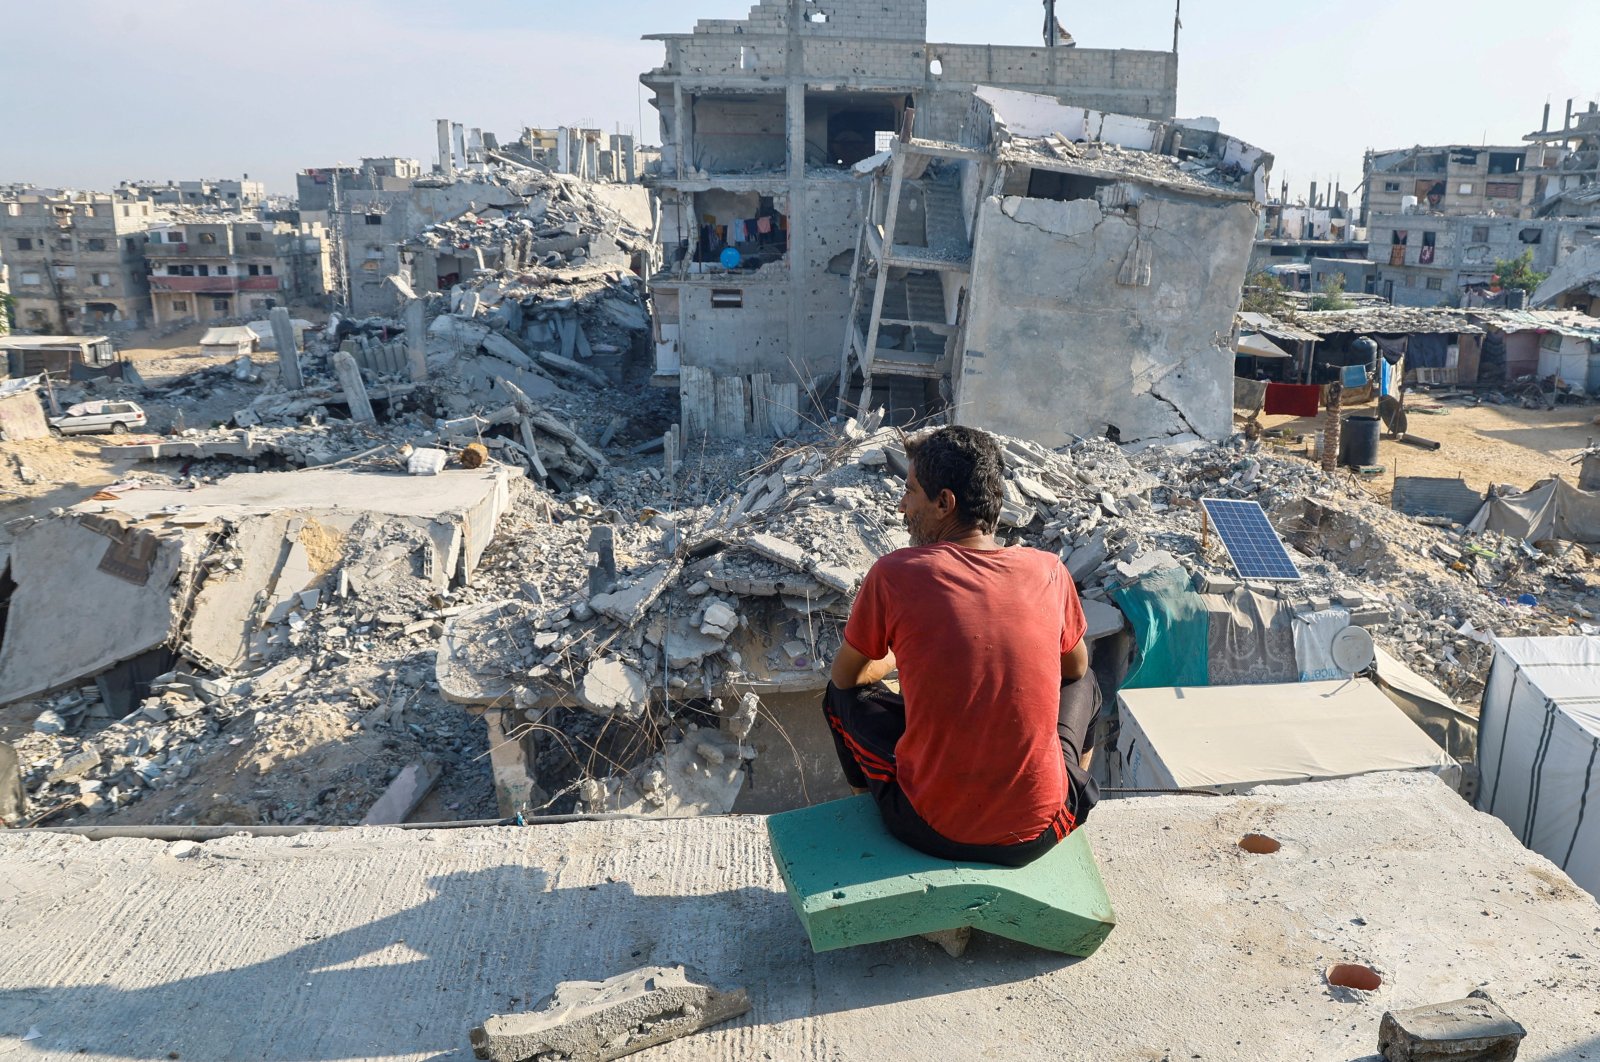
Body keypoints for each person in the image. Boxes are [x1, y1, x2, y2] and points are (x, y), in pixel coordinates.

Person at [824, 426, 1099, 868]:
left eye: (910, 492)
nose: (902, 506)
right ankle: (1069, 786)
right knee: (1086, 680)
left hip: (930, 831)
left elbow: (845, 678)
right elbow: (1075, 668)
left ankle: (875, 819)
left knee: (837, 700)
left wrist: (897, 655)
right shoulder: (1048, 569)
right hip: (1039, 834)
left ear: (944, 503)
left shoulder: (894, 573)